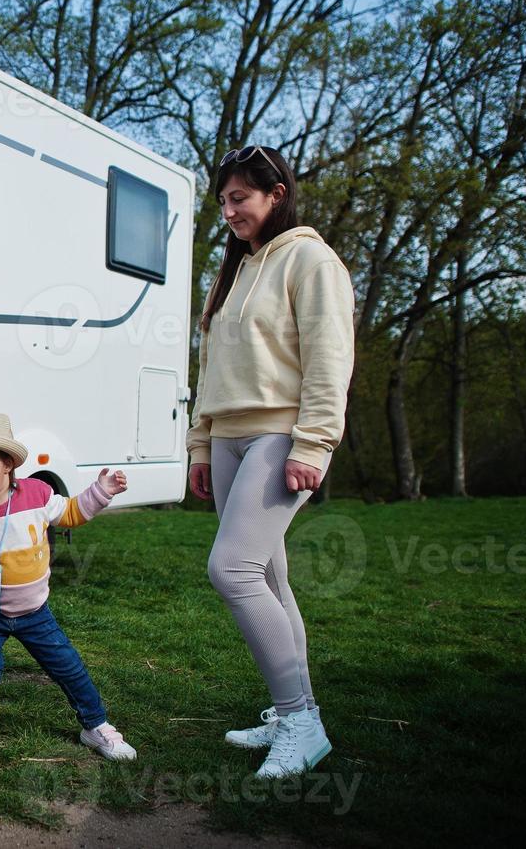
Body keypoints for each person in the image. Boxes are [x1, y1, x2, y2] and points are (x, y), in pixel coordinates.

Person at [186, 145, 355, 779]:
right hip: (228, 436)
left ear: (275, 194)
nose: (228, 212)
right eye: (223, 201)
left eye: (240, 199)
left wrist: (314, 443)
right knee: (271, 578)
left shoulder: (311, 260)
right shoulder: (233, 271)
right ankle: (293, 717)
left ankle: (302, 722)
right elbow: (214, 370)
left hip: (280, 434)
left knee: (232, 569)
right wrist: (200, 444)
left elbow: (329, 357)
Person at [0, 410, 137, 761]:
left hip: (35, 611)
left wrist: (101, 491)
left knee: (67, 666)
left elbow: (71, 513)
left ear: (7, 463)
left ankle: (95, 726)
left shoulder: (36, 494)